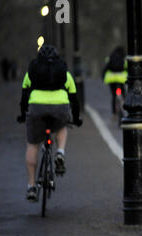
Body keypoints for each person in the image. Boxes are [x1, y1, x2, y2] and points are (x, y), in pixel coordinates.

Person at [17, 45, 83, 202]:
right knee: (61, 126)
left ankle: (32, 186)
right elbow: (74, 99)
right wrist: (76, 118)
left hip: (36, 108)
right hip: (60, 107)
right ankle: (60, 152)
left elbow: (24, 97)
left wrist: (23, 115)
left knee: (33, 144)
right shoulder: (65, 73)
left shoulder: (31, 72)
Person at [102, 46, 128, 115]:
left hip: (112, 78)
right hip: (121, 79)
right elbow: (127, 68)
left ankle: (114, 113)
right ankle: (125, 109)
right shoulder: (124, 58)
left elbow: (106, 68)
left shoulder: (110, 57)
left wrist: (103, 76)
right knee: (123, 94)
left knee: (114, 96)